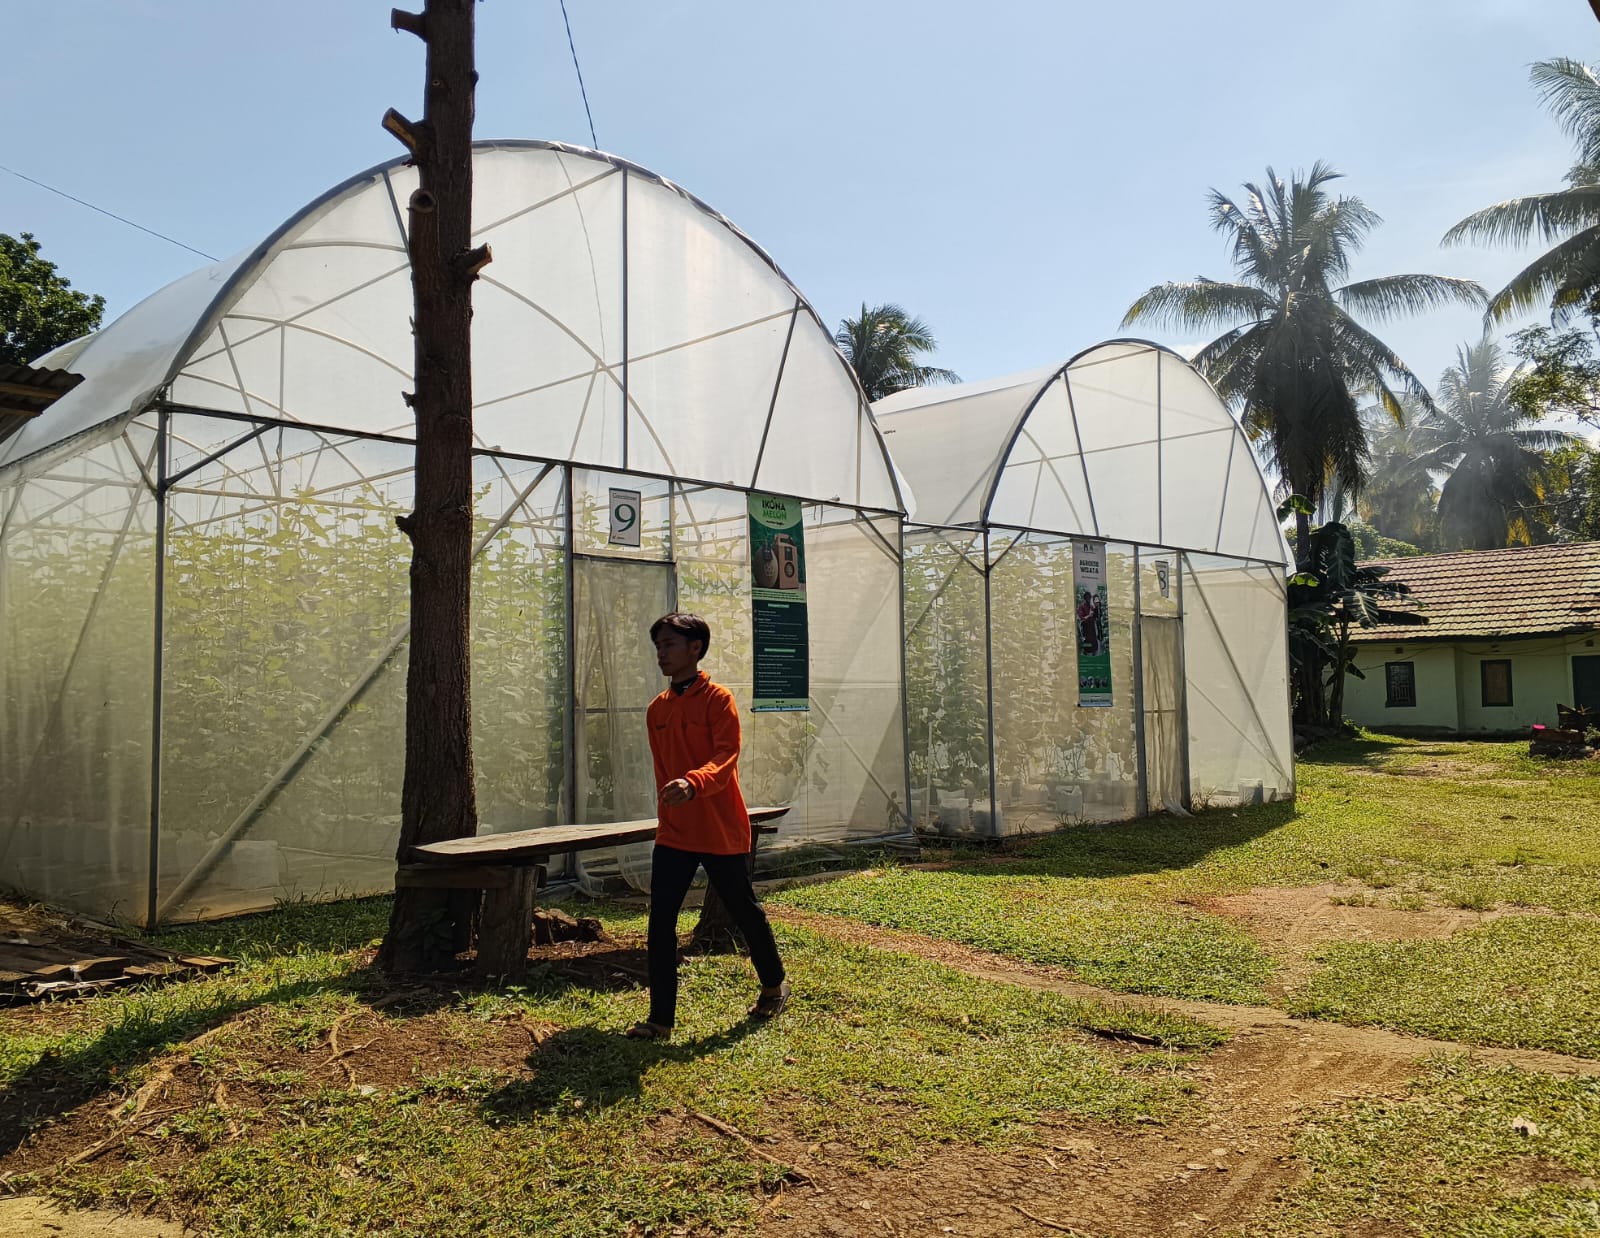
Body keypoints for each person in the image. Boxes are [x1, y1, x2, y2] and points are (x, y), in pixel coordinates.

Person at [625, 612, 790, 1040]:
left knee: (745, 912)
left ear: (695, 648)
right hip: (675, 833)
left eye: (669, 645)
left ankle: (773, 986)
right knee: (661, 923)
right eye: (658, 645)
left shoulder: (719, 699)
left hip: (719, 829)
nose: (661, 653)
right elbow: (664, 771)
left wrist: (693, 782)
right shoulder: (656, 709)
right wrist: (672, 800)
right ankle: (661, 1019)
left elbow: (726, 756)